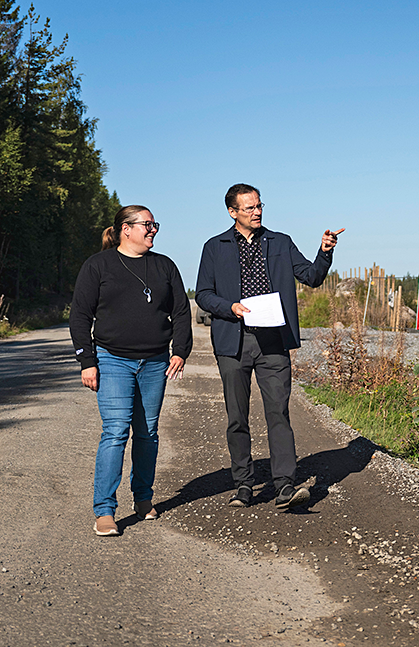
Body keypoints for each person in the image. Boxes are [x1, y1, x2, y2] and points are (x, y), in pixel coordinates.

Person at [195, 184, 342, 511]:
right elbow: (203, 294)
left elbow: (311, 276)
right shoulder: (214, 247)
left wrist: (325, 250)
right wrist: (229, 307)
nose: (257, 212)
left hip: (273, 340)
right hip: (233, 340)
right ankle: (243, 485)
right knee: (237, 416)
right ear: (233, 212)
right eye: (249, 208)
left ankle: (285, 486)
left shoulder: (280, 242)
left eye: (259, 206)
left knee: (278, 412)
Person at [70, 205, 192, 536]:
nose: (153, 230)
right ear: (126, 229)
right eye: (147, 225)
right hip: (112, 360)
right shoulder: (98, 265)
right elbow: (80, 315)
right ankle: (105, 511)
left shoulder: (165, 266)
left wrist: (180, 351)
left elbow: (181, 312)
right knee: (115, 432)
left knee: (148, 432)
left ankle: (142, 497)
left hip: (155, 362)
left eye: (155, 225)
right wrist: (87, 361)